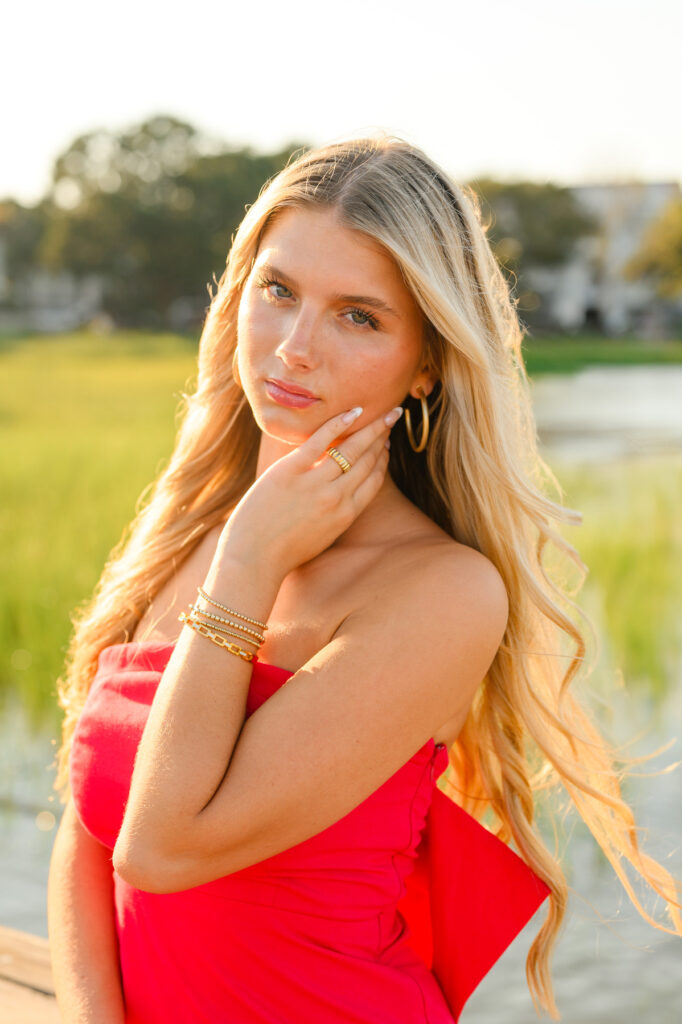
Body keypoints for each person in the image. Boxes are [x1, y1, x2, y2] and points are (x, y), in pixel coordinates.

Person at [48, 133, 681, 1024]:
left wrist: (248, 566)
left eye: (359, 315)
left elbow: (160, 847)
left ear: (427, 361)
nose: (294, 348)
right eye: (278, 291)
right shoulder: (189, 525)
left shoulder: (442, 592)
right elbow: (86, 828)